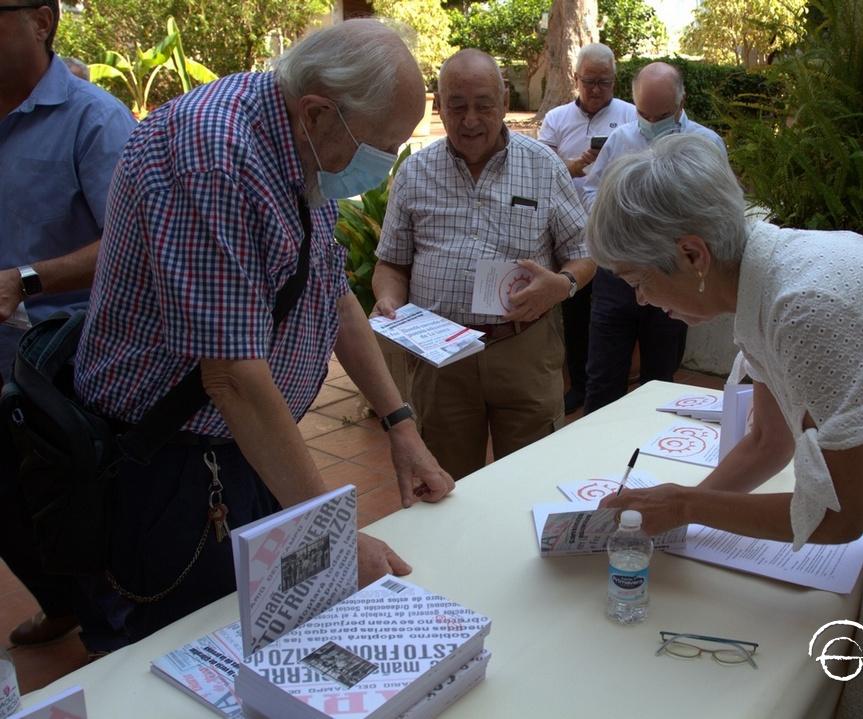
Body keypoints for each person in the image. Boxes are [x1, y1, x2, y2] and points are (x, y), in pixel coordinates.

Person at [73, 19, 455, 651]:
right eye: (381, 145)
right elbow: (231, 378)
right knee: (195, 646)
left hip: (234, 446)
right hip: (172, 458)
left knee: (261, 621)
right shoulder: (216, 157)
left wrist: (402, 426)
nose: (383, 165)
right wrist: (333, 533)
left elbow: (331, 293)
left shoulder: (297, 143)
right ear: (318, 110)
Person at [594, 133, 863, 718]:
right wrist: (676, 512)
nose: (643, 300)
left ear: (692, 254)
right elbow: (765, 441)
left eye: (638, 281)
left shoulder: (806, 303)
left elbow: (839, 518)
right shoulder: (762, 273)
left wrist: (684, 507)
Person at [372, 49, 594, 481]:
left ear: (504, 102)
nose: (470, 119)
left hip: (524, 347)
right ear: (439, 107)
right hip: (442, 359)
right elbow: (391, 264)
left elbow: (585, 251)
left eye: (483, 105)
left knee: (532, 480)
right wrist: (387, 300)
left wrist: (563, 284)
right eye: (457, 106)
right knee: (444, 484)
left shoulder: (543, 166)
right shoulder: (416, 172)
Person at [0, 0, 135, 646]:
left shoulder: (94, 120)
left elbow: (131, 242)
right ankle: (62, 603)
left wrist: (26, 278)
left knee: (81, 517)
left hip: (64, 373)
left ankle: (109, 639)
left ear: (42, 19)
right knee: (10, 509)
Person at [581, 62, 724, 415]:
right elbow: (589, 194)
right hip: (616, 277)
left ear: (681, 103)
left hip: (674, 276)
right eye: (643, 113)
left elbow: (719, 213)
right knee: (601, 378)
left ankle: (651, 455)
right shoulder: (621, 139)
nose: (649, 123)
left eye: (660, 115)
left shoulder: (706, 144)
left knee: (660, 379)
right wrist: (617, 211)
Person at [538, 43, 635, 414]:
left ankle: (616, 387)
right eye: (590, 81)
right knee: (575, 314)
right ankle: (578, 385)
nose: (596, 90)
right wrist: (577, 165)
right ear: (576, 79)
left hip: (615, 233)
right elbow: (540, 170)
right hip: (569, 233)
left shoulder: (629, 114)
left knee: (614, 315)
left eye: (605, 82)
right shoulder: (557, 118)